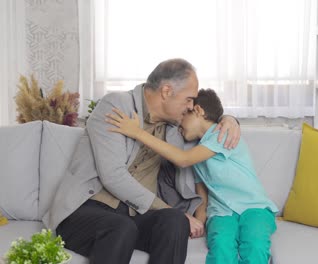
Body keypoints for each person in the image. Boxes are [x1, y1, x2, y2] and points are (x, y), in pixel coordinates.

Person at [42, 59, 241, 264]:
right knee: (121, 226)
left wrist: (230, 120)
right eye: (189, 99)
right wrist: (165, 207)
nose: (191, 106)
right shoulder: (116, 105)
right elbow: (113, 176)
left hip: (134, 215)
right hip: (86, 209)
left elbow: (204, 120)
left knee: (175, 221)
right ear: (166, 91)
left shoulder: (176, 124)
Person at [105, 88, 278, 264]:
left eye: (183, 118)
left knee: (255, 244)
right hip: (221, 212)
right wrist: (199, 222)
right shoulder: (197, 150)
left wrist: (137, 132)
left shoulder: (222, 135)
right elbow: (202, 194)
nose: (179, 124)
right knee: (220, 245)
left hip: (254, 207)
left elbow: (183, 159)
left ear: (198, 111)